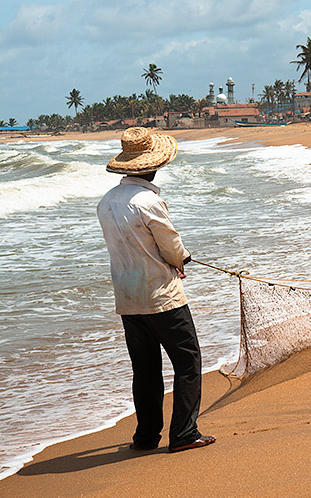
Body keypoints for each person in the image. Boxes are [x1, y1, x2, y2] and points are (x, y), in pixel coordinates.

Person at [97, 127, 215, 453]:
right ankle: (184, 434)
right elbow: (171, 246)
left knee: (145, 370)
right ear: (154, 165)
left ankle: (146, 437)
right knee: (187, 363)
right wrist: (182, 260)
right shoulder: (149, 201)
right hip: (162, 296)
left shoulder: (106, 202)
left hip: (127, 297)